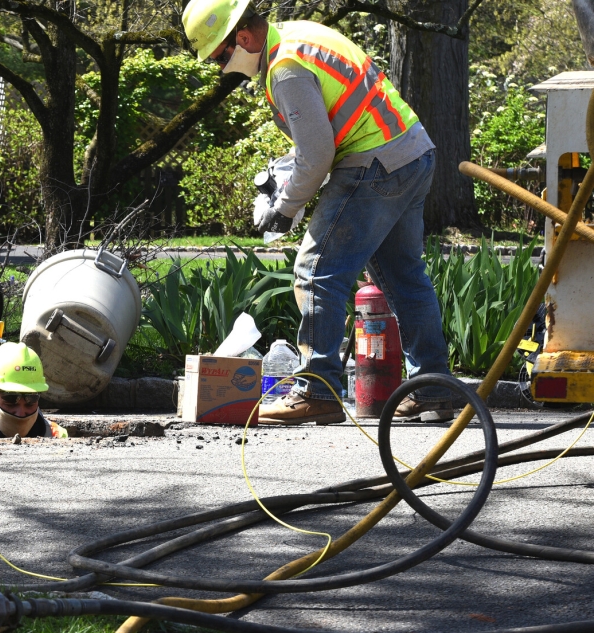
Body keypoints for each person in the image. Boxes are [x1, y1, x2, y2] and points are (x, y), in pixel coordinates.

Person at [182, 0, 455, 425]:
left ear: (243, 37)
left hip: (373, 164)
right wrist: (288, 178)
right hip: (411, 153)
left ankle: (318, 390)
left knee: (315, 272)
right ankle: (435, 390)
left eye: (220, 55)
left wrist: (285, 209)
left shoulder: (285, 68)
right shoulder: (298, 35)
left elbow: (318, 153)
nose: (222, 67)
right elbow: (324, 131)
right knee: (404, 279)